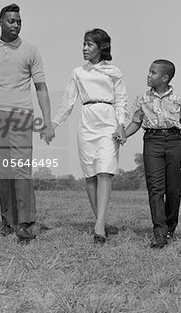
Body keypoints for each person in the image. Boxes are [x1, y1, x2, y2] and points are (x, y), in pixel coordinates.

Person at [0, 3, 54, 242]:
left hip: (21, 115)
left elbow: (41, 87)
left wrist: (47, 121)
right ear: (0, 22)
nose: (15, 25)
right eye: (11, 21)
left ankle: (25, 223)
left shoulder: (31, 51)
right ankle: (8, 221)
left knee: (21, 169)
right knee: (3, 170)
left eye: (18, 21)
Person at [52, 29, 127, 244]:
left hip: (108, 122)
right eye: (83, 44)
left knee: (105, 171)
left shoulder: (114, 72)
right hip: (86, 122)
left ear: (101, 47)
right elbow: (67, 101)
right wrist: (54, 124)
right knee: (90, 175)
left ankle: (99, 224)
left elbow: (121, 100)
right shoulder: (78, 73)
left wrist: (121, 125)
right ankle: (100, 220)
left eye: (89, 44)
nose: (84, 48)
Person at [123, 59, 181, 248]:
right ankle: (159, 233)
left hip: (174, 142)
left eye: (153, 73)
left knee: (174, 190)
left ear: (165, 78)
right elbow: (135, 122)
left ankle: (170, 227)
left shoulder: (180, 99)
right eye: (149, 71)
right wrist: (123, 135)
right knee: (155, 188)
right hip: (152, 143)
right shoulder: (142, 98)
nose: (148, 75)